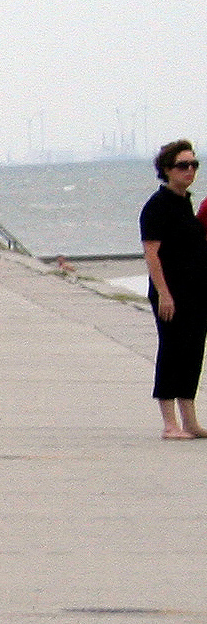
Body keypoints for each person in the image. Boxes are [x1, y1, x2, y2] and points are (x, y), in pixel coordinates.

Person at [140, 139, 207, 439]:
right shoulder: (158, 206)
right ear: (167, 169)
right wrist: (164, 294)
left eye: (194, 165)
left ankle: (190, 420)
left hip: (195, 291)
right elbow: (152, 254)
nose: (189, 170)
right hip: (170, 292)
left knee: (193, 352)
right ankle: (170, 423)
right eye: (183, 165)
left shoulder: (185, 203)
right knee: (172, 350)